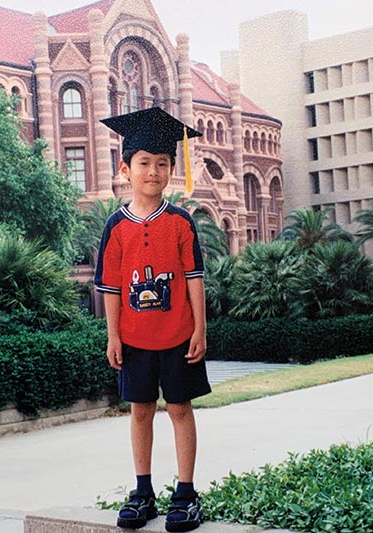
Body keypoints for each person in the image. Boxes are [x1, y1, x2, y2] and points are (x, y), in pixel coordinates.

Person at [95, 107, 210, 532]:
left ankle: (186, 493)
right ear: (126, 168)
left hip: (179, 335)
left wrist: (200, 327)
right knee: (140, 410)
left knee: (180, 408)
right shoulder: (116, 226)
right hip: (135, 337)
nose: (154, 171)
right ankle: (142, 492)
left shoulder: (181, 222)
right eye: (144, 163)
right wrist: (113, 336)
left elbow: (194, 278)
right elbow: (110, 287)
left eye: (162, 163)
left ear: (171, 169)